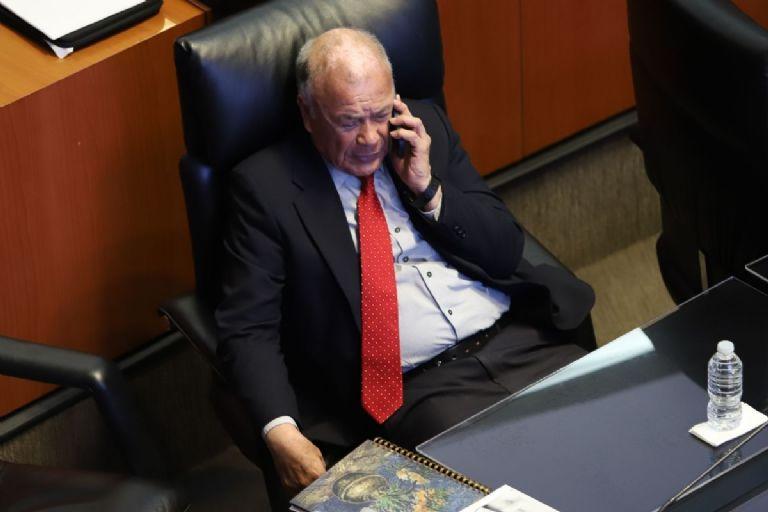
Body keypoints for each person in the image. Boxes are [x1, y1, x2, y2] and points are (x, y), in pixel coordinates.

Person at [215, 28, 595, 496]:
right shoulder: (265, 188)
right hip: (422, 389)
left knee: (608, 438)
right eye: (349, 121)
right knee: (517, 489)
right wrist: (280, 430)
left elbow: (504, 250)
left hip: (521, 340)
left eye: (380, 114)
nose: (370, 137)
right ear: (308, 112)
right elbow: (248, 327)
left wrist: (428, 188)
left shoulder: (423, 126)